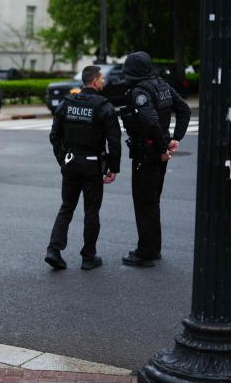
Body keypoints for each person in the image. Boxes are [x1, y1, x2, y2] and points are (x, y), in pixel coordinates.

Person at [45, 66, 121, 271]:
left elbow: (54, 135)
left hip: (70, 162)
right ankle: (88, 256)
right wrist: (113, 167)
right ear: (95, 81)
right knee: (91, 211)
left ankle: (54, 250)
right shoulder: (103, 106)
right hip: (92, 163)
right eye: (102, 78)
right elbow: (114, 140)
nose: (103, 81)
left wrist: (62, 159)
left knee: (67, 206)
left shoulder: (67, 103)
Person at [120, 51, 191, 267]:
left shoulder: (140, 91)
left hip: (148, 152)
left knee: (144, 202)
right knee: (152, 200)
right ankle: (153, 248)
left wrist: (162, 147)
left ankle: (146, 252)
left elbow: (150, 122)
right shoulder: (162, 86)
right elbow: (184, 110)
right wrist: (175, 138)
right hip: (158, 151)